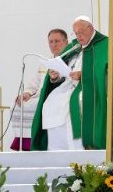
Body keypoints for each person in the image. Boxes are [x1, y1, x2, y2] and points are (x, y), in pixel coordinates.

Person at [31, 16, 108, 150]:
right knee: (50, 101)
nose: (78, 36)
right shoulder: (74, 46)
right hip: (68, 85)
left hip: (89, 87)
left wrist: (83, 75)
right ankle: (57, 151)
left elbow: (105, 72)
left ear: (90, 29)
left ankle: (80, 149)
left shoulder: (104, 44)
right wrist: (55, 76)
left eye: (81, 32)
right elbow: (63, 67)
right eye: (75, 33)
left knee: (77, 100)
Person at [10, 28, 68, 151]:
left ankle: (36, 141)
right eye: (51, 42)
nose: (53, 44)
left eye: (57, 41)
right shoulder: (45, 62)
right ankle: (23, 143)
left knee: (36, 106)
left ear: (66, 42)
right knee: (17, 105)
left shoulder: (70, 60)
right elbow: (35, 83)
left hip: (56, 97)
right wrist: (27, 93)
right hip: (39, 96)